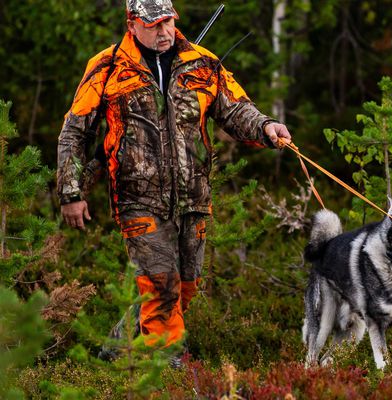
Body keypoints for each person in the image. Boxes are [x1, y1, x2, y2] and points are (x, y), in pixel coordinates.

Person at [56, 0, 291, 363]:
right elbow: (74, 133)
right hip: (138, 197)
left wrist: (265, 127)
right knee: (160, 285)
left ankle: (116, 352)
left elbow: (236, 108)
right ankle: (166, 371)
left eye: (168, 22)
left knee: (185, 284)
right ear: (132, 24)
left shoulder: (202, 62)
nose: (164, 31)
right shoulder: (106, 67)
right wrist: (71, 191)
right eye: (154, 25)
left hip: (193, 196)